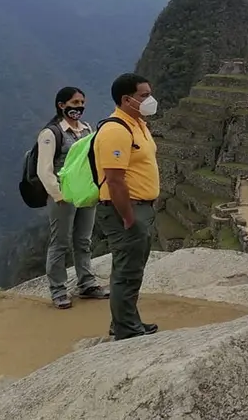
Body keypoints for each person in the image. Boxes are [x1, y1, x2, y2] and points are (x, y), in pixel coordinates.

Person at [94, 73, 160, 341]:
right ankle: (126, 330)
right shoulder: (115, 130)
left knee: (133, 269)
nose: (150, 100)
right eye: (144, 95)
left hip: (141, 206)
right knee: (126, 272)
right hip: (124, 209)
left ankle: (126, 321)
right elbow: (114, 179)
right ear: (126, 99)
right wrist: (129, 218)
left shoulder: (138, 124)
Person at [37, 86, 108, 309]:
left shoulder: (86, 129)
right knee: (60, 243)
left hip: (85, 193)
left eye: (82, 103)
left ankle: (87, 283)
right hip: (63, 196)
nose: (79, 107)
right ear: (61, 105)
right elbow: (44, 170)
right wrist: (57, 195)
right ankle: (58, 290)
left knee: (83, 240)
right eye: (75, 103)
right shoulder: (51, 133)